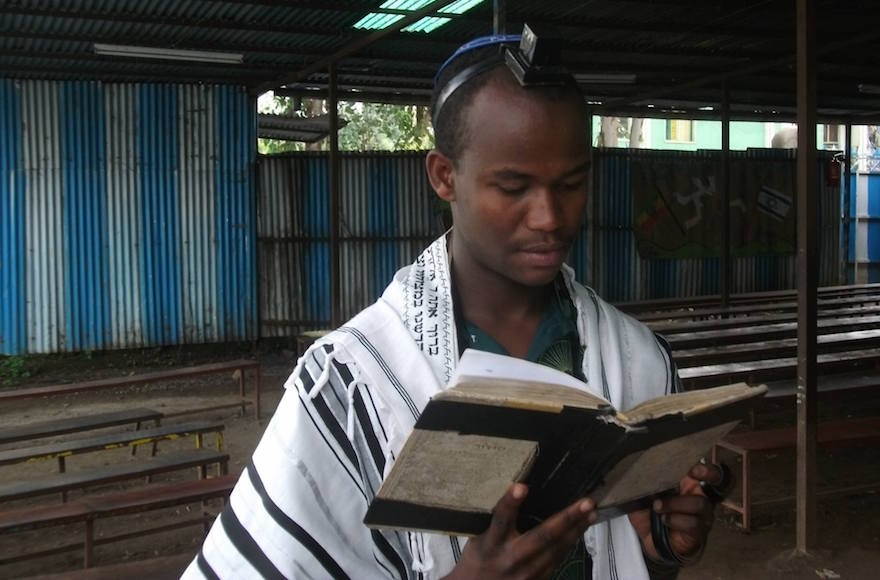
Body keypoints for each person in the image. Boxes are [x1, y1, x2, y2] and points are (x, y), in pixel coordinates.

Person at [182, 28, 727, 580]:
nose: (549, 216)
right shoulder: (354, 383)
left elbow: (629, 559)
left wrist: (662, 549)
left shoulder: (638, 359)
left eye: (571, 182)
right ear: (445, 176)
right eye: (514, 187)